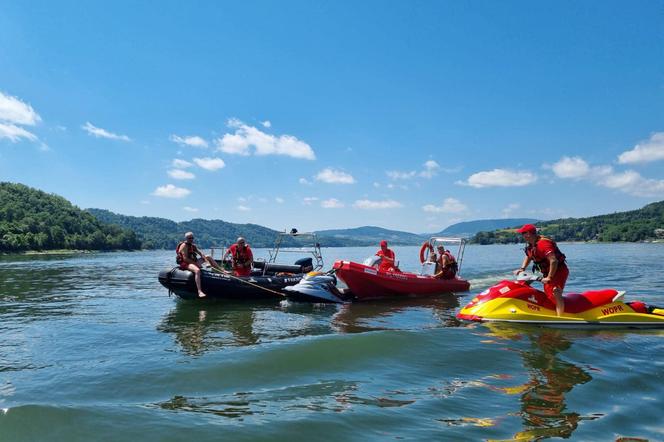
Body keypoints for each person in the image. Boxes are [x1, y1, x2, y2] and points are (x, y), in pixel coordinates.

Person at [514, 224, 569, 317]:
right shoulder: (531, 245)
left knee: (555, 292)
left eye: (523, 233)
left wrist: (549, 277)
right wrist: (522, 268)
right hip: (544, 272)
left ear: (528, 234)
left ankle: (561, 317)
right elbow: (529, 256)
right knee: (523, 284)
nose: (522, 235)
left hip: (558, 271)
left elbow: (554, 261)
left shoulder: (543, 244)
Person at [176, 232, 225, 298]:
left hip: (193, 262)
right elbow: (185, 259)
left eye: (192, 238)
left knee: (208, 256)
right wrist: (196, 264)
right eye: (189, 238)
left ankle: (221, 270)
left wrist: (207, 262)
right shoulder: (184, 246)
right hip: (185, 263)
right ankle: (199, 291)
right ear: (186, 238)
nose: (191, 239)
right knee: (197, 271)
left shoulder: (193, 245)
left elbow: (201, 253)